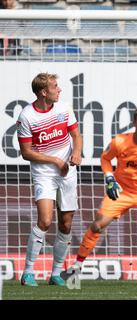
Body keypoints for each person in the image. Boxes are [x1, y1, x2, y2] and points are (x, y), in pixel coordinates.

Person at [64, 108, 137, 280]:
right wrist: (110, 178)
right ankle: (77, 266)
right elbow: (105, 158)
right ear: (134, 123)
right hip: (122, 191)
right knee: (97, 225)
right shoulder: (120, 141)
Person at [17, 73, 83, 286]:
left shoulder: (64, 108)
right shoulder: (27, 116)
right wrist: (54, 160)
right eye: (55, 86)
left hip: (68, 172)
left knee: (65, 224)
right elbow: (26, 152)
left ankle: (56, 274)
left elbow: (76, 136)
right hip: (44, 173)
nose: (59, 89)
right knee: (45, 220)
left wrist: (76, 153)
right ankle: (28, 272)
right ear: (44, 92)